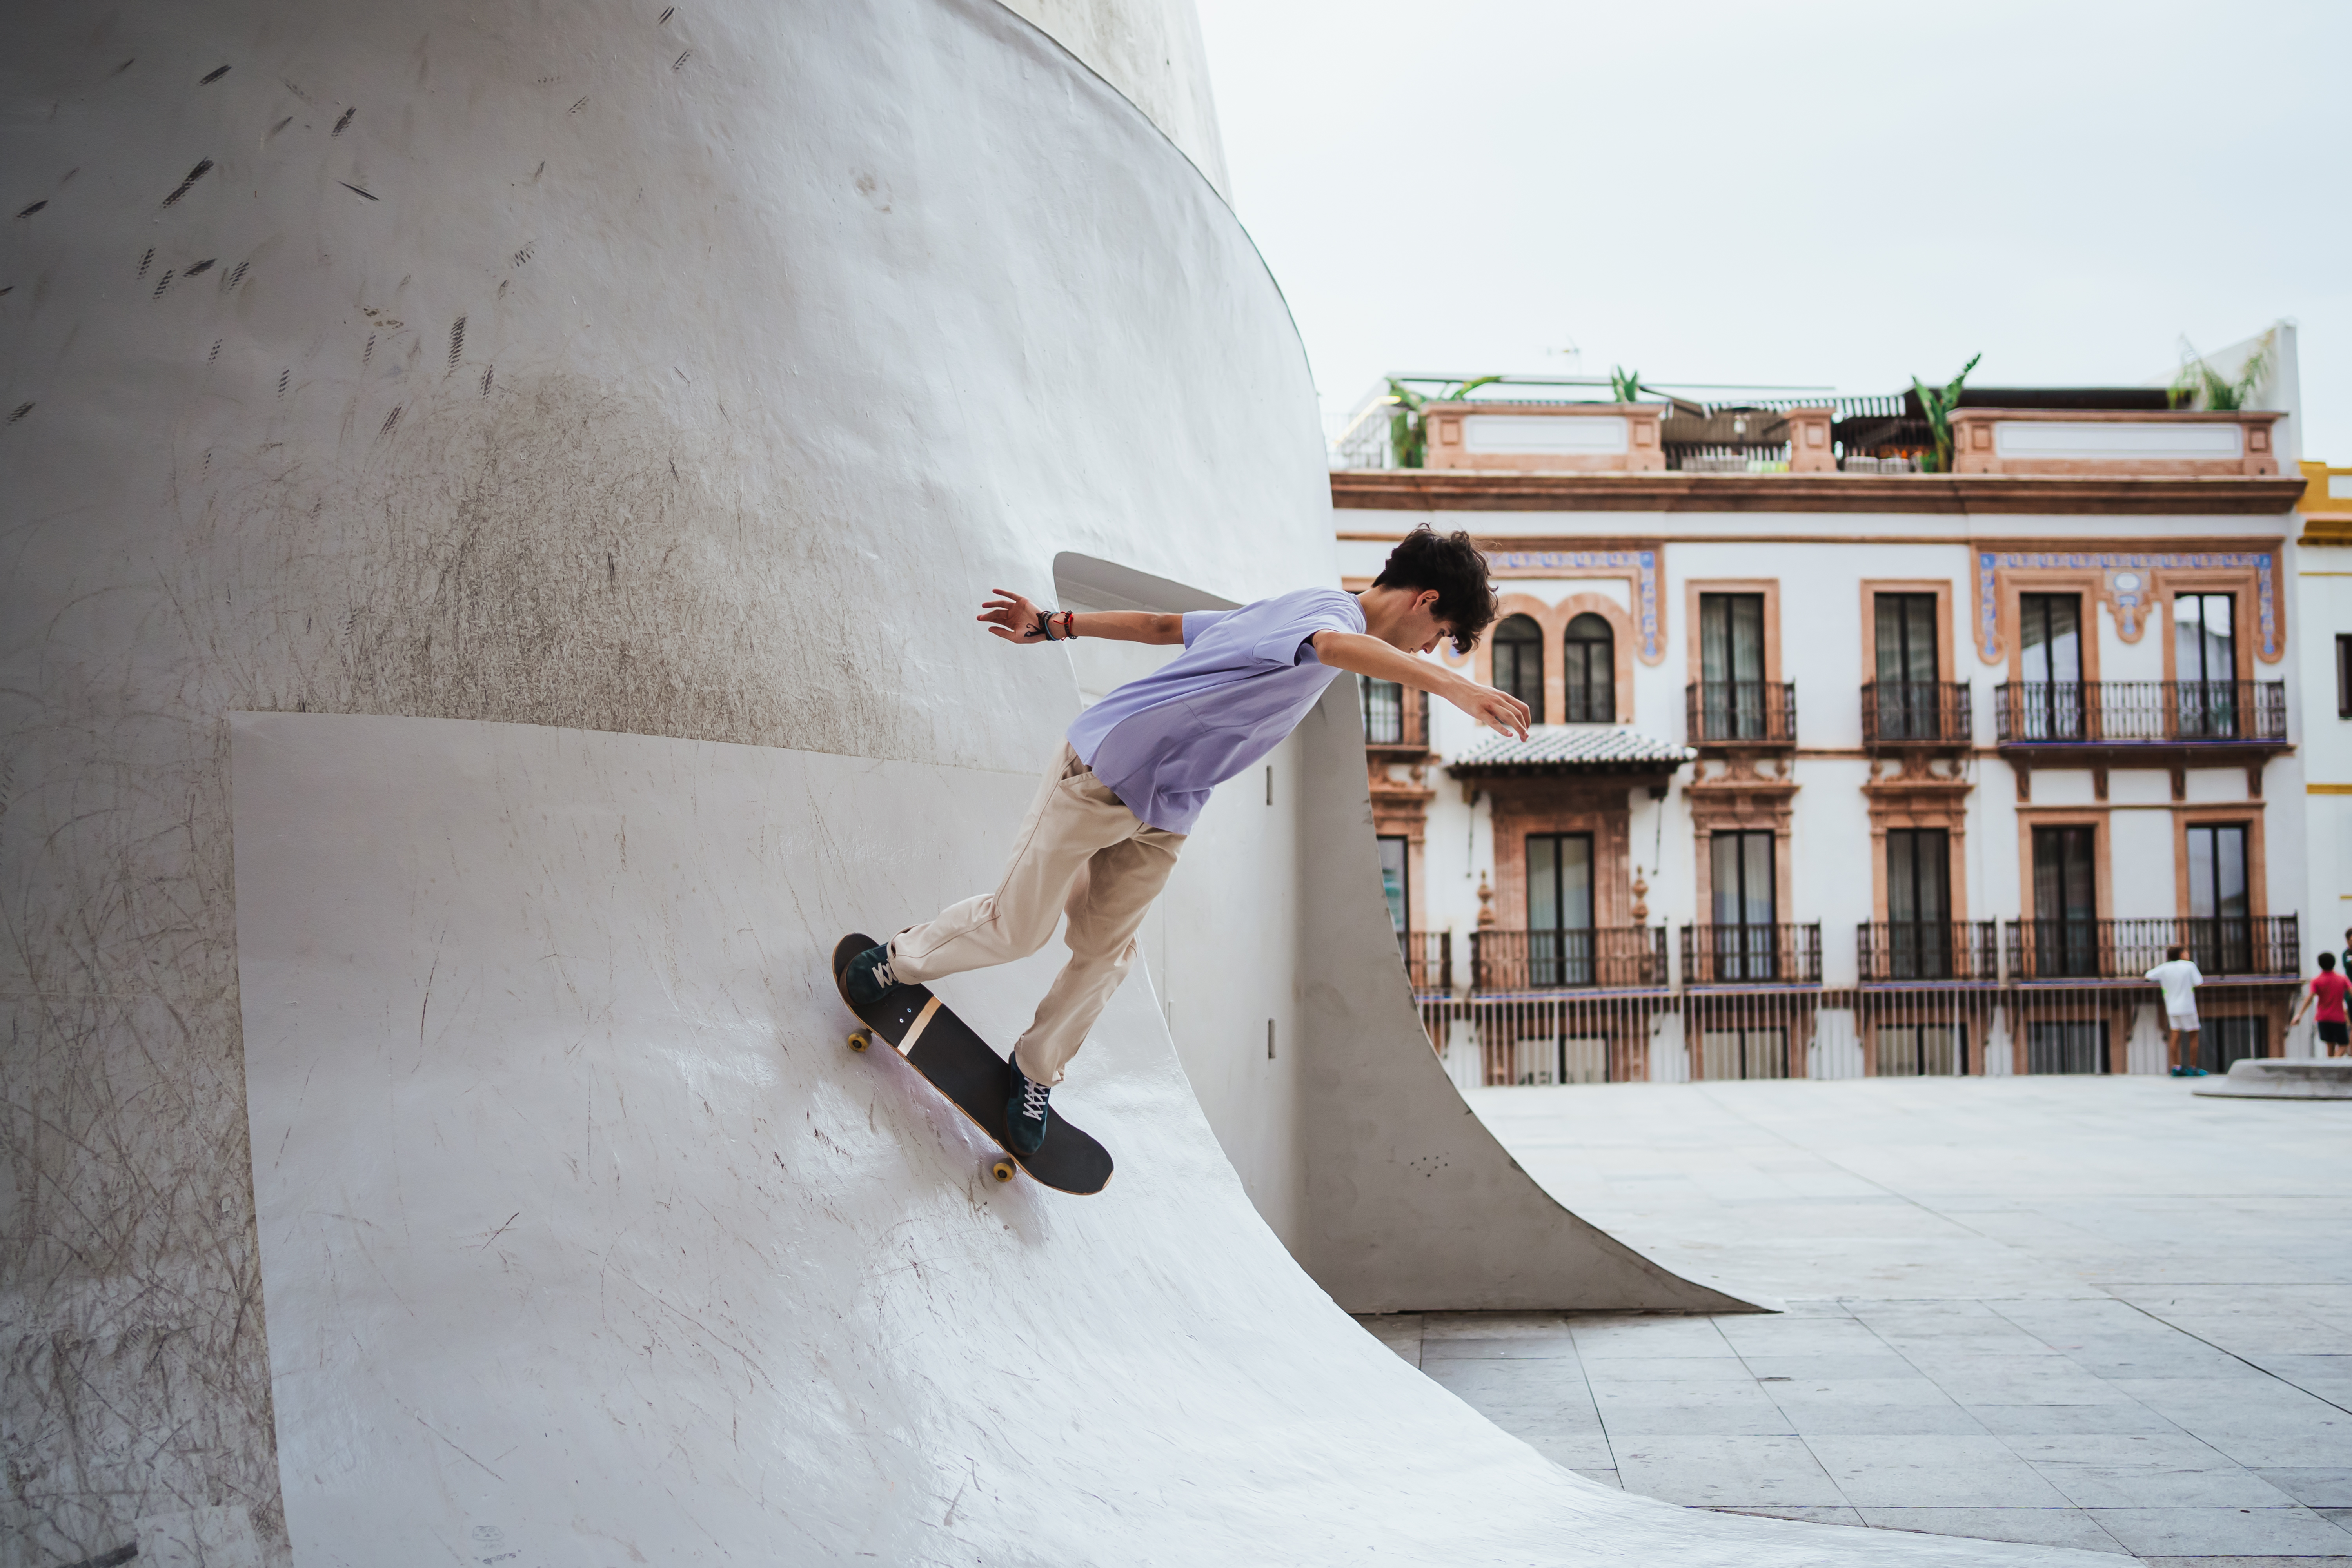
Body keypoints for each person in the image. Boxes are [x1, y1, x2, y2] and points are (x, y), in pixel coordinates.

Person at [840, 526, 1529, 1153]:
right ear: (1424, 600)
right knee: (1017, 929)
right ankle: (897, 959)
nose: (1428, 649)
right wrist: (1451, 688)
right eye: (1438, 634)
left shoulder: (1289, 610)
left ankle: (1034, 1069)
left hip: (1167, 812)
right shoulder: (1327, 619)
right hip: (1102, 773)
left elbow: (1166, 625)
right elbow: (1333, 648)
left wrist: (1054, 624)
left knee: (1105, 952)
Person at [2145, 944, 2205, 1076]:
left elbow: (2149, 975)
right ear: (2181, 954)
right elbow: (2199, 982)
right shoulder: (2189, 966)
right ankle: (2193, 1067)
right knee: (2193, 1035)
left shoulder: (2165, 968)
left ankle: (2176, 1067)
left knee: (2175, 1035)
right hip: (2188, 1007)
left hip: (2172, 1007)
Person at [2290, 950, 2352, 1060]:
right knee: (2343, 1044)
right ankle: (2334, 1065)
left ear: (2320, 964)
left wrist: (2299, 1014)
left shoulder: (2317, 981)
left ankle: (2331, 1068)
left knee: (2330, 1045)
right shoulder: (2342, 979)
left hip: (2323, 1018)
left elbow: (2310, 998)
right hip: (2338, 1017)